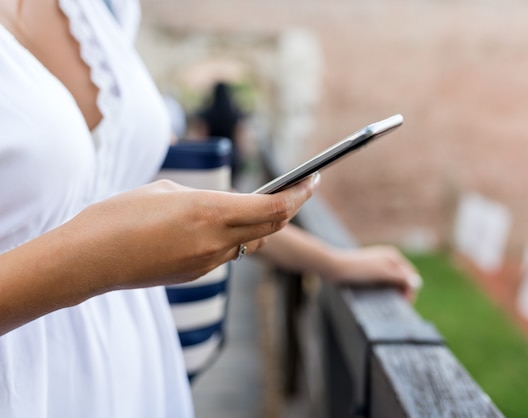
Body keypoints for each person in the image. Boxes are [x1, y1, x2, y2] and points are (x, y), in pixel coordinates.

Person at [0, 1, 420, 417]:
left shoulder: (102, 12)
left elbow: (196, 199)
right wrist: (100, 261)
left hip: (131, 359)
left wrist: (332, 263)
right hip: (20, 379)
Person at [190, 81, 246, 182]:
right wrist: (241, 154)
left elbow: (202, 137)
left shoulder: (207, 113)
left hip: (213, 156)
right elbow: (239, 136)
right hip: (231, 154)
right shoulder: (234, 114)